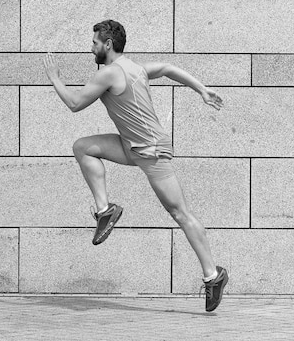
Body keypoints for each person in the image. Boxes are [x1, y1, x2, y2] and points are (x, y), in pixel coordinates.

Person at [43, 19, 228, 312]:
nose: (90, 48)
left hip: (150, 150)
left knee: (180, 213)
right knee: (83, 147)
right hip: (132, 146)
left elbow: (75, 103)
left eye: (94, 43)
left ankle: (213, 275)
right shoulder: (134, 68)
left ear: (107, 44)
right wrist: (201, 89)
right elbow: (167, 68)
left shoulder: (111, 73)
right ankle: (105, 210)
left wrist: (54, 77)